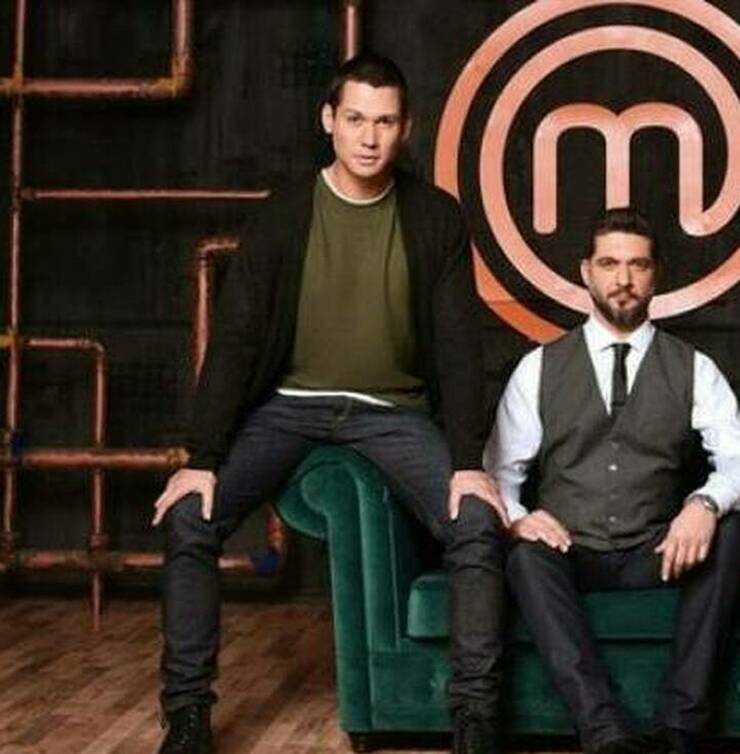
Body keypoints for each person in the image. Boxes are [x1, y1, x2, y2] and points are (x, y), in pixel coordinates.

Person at [150, 53, 506, 754]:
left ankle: (475, 718)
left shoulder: (435, 218)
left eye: (385, 122)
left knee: (474, 524)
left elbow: (461, 347)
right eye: (355, 120)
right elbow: (236, 338)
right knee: (190, 517)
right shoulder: (283, 215)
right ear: (329, 121)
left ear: (405, 128)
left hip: (392, 412)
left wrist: (468, 461)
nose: (369, 138)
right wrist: (202, 457)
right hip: (290, 406)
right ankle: (187, 715)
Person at [484, 208, 740, 754]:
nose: (623, 279)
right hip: (570, 550)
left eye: (637, 265)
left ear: (655, 275)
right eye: (610, 264)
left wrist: (705, 503)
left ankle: (679, 729)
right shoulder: (539, 367)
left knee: (733, 532)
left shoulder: (693, 367)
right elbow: (500, 474)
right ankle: (606, 734)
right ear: (585, 272)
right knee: (523, 556)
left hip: (654, 551)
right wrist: (520, 519)